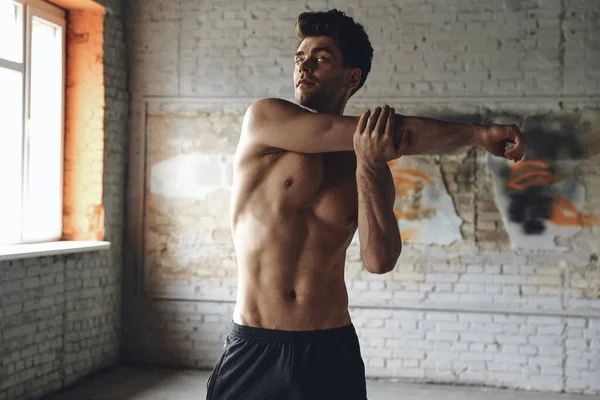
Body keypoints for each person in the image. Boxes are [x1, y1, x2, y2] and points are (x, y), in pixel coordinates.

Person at [205, 9, 527, 400]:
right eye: (299, 57)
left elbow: (379, 259)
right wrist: (477, 135)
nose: (303, 66)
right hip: (255, 347)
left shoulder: (366, 164)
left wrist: (370, 166)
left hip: (330, 349)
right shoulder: (265, 121)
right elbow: (356, 131)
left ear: (351, 77)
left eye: (320, 58)